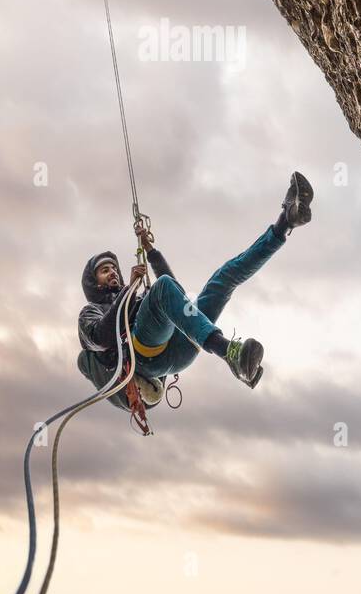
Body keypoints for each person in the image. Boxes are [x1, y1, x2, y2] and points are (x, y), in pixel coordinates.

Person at [76, 172, 313, 414]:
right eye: (105, 271)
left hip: (180, 349)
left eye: (114, 268)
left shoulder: (135, 298)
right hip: (145, 358)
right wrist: (130, 289)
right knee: (162, 289)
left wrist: (151, 252)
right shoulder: (91, 312)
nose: (113, 273)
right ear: (93, 283)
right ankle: (229, 352)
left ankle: (286, 220)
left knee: (223, 278)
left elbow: (173, 293)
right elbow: (100, 338)